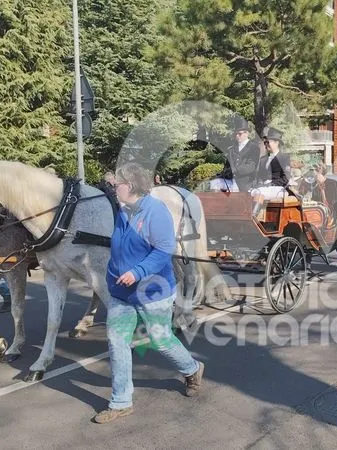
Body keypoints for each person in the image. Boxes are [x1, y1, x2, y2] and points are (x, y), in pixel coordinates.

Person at [95, 162, 204, 424]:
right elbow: (120, 246)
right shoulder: (123, 210)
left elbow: (163, 250)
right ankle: (121, 402)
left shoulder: (155, 212)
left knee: (161, 340)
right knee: (117, 341)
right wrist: (113, 274)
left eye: (116, 183)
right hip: (121, 292)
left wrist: (137, 272)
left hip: (152, 291)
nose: (113, 186)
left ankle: (192, 368)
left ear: (129, 186)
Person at [250, 127, 290, 217]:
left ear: (277, 143)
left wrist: (270, 183)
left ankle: (252, 218)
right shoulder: (263, 159)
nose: (266, 144)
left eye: (269, 142)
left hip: (279, 188)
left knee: (260, 192)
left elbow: (286, 179)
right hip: (264, 187)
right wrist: (258, 183)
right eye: (265, 142)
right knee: (248, 192)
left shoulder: (284, 158)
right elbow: (259, 177)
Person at [212, 120, 261, 192]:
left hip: (246, 182)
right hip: (231, 180)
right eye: (236, 134)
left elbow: (251, 166)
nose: (237, 136)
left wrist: (235, 171)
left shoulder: (254, 148)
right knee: (214, 186)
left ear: (246, 133)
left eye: (240, 134)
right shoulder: (231, 149)